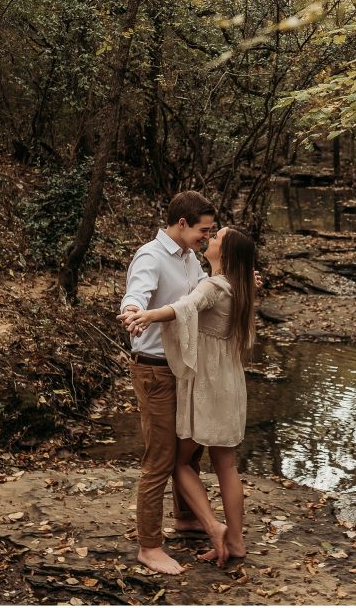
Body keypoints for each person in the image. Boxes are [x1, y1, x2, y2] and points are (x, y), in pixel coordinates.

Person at [121, 226, 256, 567]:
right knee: (226, 464)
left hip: (208, 384)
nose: (210, 238)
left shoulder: (213, 285)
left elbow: (186, 306)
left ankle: (213, 526)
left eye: (217, 237)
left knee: (178, 462)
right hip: (231, 383)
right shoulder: (240, 286)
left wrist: (149, 315)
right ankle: (236, 542)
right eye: (209, 231)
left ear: (225, 253)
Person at [117, 191, 216, 575]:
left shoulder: (190, 257)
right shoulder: (151, 256)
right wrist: (132, 311)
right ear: (182, 223)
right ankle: (149, 546)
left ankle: (186, 518)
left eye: (210, 232)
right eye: (203, 230)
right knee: (159, 458)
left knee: (190, 449)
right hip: (155, 370)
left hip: (184, 367)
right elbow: (136, 294)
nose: (207, 237)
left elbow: (205, 296)